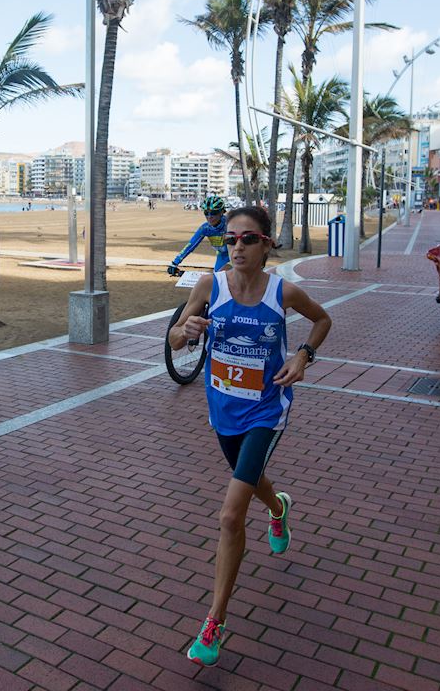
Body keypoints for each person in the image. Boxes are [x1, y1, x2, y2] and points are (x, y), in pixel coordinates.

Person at [170, 205, 332, 668]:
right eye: (230, 240)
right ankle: (279, 507)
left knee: (229, 515)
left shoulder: (283, 292)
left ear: (266, 245)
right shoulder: (209, 286)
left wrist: (302, 357)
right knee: (251, 480)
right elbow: (176, 341)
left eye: (247, 240)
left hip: (266, 410)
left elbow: (322, 321)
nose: (236, 247)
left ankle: (214, 623)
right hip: (222, 411)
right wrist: (187, 328)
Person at [170, 195, 230, 274]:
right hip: (222, 256)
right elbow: (190, 245)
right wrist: (174, 263)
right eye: (206, 213)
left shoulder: (230, 224)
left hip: (235, 255)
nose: (209, 217)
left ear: (222, 212)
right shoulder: (205, 228)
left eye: (213, 213)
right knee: (217, 279)